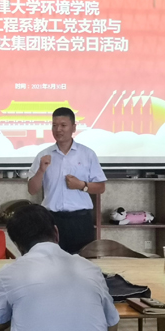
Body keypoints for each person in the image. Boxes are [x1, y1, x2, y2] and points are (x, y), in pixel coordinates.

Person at [28, 107, 106, 254]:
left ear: (73, 128)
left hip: (80, 220)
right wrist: (41, 171)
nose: (58, 129)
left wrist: (81, 185)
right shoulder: (43, 155)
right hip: (51, 220)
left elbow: (101, 187)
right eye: (54, 125)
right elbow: (32, 190)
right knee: (51, 262)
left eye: (63, 125)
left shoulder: (87, 154)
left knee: (81, 263)